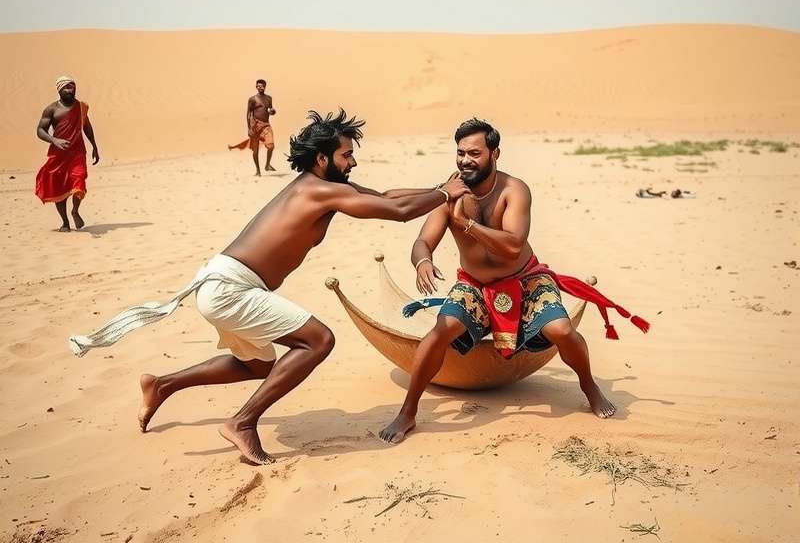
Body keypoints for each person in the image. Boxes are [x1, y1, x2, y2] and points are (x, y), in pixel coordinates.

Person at [69, 109, 468, 464]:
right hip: (231, 289)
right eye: (346, 155)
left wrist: (439, 189)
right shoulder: (319, 190)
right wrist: (442, 195)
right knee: (318, 341)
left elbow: (386, 197)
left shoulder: (323, 188)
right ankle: (242, 422)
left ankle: (162, 385)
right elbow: (397, 211)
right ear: (322, 158)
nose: (353, 162)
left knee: (257, 365)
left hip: (225, 284)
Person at [379, 118, 649, 444]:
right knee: (440, 331)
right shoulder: (449, 192)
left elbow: (513, 246)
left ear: (495, 153)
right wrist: (423, 261)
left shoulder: (514, 190)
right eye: (461, 153)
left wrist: (466, 224)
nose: (465, 160)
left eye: (475, 153)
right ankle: (408, 411)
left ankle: (589, 385)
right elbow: (423, 241)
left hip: (525, 279)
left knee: (562, 330)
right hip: (475, 285)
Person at [35, 76, 100, 231]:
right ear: (59, 90)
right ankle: (65, 222)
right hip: (58, 155)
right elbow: (40, 130)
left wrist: (94, 146)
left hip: (77, 153)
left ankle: (75, 211)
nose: (71, 90)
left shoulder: (81, 107)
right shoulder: (51, 109)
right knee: (60, 188)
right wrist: (54, 140)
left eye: (72, 87)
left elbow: (87, 126)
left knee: (79, 180)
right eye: (67, 88)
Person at [229, 79, 276, 175]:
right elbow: (248, 113)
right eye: (258, 86)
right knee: (255, 150)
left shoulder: (269, 98)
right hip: (255, 126)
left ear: (265, 86)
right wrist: (249, 128)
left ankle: (267, 165)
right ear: (256, 87)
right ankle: (258, 171)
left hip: (266, 125)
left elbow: (270, 110)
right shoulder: (252, 99)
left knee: (271, 146)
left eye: (261, 86)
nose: (259, 87)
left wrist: (273, 111)